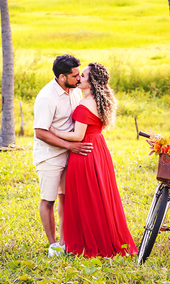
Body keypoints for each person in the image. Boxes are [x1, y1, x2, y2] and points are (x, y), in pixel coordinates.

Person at [53, 62, 137, 258]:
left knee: (86, 198)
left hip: (84, 153)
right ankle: (104, 235)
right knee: (100, 196)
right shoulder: (100, 101)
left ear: (91, 82)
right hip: (99, 149)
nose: (78, 78)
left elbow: (77, 136)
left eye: (82, 75)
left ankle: (88, 241)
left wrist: (54, 131)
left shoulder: (84, 105)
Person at [33, 53, 92, 257]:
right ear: (61, 77)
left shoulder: (75, 91)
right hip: (50, 155)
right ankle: (53, 245)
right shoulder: (46, 97)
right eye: (75, 76)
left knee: (66, 199)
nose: (79, 78)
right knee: (48, 200)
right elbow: (40, 132)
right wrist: (69, 145)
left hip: (70, 154)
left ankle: (65, 241)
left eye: (79, 74)